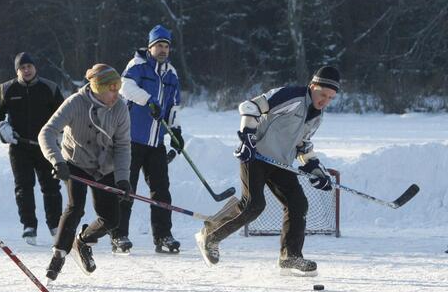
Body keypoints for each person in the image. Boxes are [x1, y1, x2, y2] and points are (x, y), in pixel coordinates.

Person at [195, 66, 341, 277]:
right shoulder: (290, 96)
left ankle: (290, 256)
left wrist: (316, 170)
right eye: (322, 94)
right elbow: (250, 107)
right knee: (253, 205)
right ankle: (210, 234)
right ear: (312, 86)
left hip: (280, 163)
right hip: (255, 155)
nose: (325, 101)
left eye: (330, 98)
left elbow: (303, 145)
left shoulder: (317, 116)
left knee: (298, 203)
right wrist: (247, 138)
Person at [39, 64, 131, 281]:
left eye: (118, 89)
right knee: (75, 206)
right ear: (98, 88)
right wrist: (57, 161)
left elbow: (123, 146)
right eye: (112, 89)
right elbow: (47, 133)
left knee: (111, 219)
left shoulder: (120, 108)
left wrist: (123, 178)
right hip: (76, 162)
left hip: (104, 166)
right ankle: (59, 254)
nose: (116, 95)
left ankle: (82, 240)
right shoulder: (75, 103)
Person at [110, 24, 184, 254]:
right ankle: (118, 234)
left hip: (156, 143)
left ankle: (163, 235)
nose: (162, 50)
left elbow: (173, 106)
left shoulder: (172, 74)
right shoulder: (138, 65)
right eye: (158, 46)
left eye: (166, 46)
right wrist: (148, 100)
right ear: (150, 47)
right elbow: (125, 87)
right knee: (125, 188)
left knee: (161, 190)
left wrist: (176, 131)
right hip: (131, 139)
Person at [0, 52, 65, 245]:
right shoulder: (7, 89)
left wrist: (61, 134)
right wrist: (2, 127)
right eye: (22, 67)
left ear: (35, 68)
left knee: (51, 187)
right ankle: (29, 226)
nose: (27, 70)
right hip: (19, 146)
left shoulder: (49, 88)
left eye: (29, 66)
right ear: (17, 70)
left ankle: (55, 225)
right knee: (23, 187)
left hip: (46, 146)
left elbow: (64, 112)